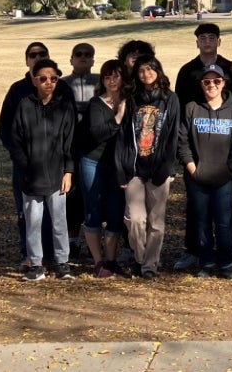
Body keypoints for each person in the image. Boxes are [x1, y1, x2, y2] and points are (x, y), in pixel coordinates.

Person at [0, 42, 74, 271]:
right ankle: (30, 257)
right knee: (28, 216)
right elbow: (7, 129)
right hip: (27, 167)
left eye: (42, 54)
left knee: (57, 217)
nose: (47, 82)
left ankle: (56, 258)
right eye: (33, 55)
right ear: (27, 60)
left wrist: (68, 168)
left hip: (56, 168)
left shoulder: (63, 92)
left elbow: (69, 135)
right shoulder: (18, 93)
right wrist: (21, 161)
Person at [173, 23, 232, 272]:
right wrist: (187, 159)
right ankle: (195, 252)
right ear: (197, 42)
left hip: (221, 146)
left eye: (212, 37)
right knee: (196, 210)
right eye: (203, 38)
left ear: (219, 41)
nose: (207, 41)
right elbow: (179, 108)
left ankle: (225, 260)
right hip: (195, 147)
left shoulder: (230, 68)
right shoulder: (187, 71)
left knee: (223, 217)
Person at [116, 56, 180, 280]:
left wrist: (167, 166)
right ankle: (141, 257)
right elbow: (123, 134)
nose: (146, 74)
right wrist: (122, 167)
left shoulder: (169, 98)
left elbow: (173, 134)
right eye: (141, 70)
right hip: (135, 168)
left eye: (150, 69)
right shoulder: (132, 98)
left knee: (156, 222)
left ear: (158, 71)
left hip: (159, 168)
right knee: (134, 219)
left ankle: (150, 266)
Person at [81, 59, 128, 278]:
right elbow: (97, 133)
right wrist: (118, 117)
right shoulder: (96, 104)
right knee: (94, 210)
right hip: (93, 162)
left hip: (118, 165)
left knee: (116, 212)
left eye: (116, 75)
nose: (112, 80)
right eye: (107, 76)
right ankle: (98, 261)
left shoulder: (130, 101)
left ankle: (111, 259)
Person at [61, 42, 100, 261]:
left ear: (93, 59)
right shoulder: (63, 84)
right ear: (71, 59)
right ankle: (72, 243)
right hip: (70, 148)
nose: (83, 58)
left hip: (95, 150)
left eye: (88, 55)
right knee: (72, 198)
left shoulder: (100, 82)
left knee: (95, 196)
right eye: (79, 55)